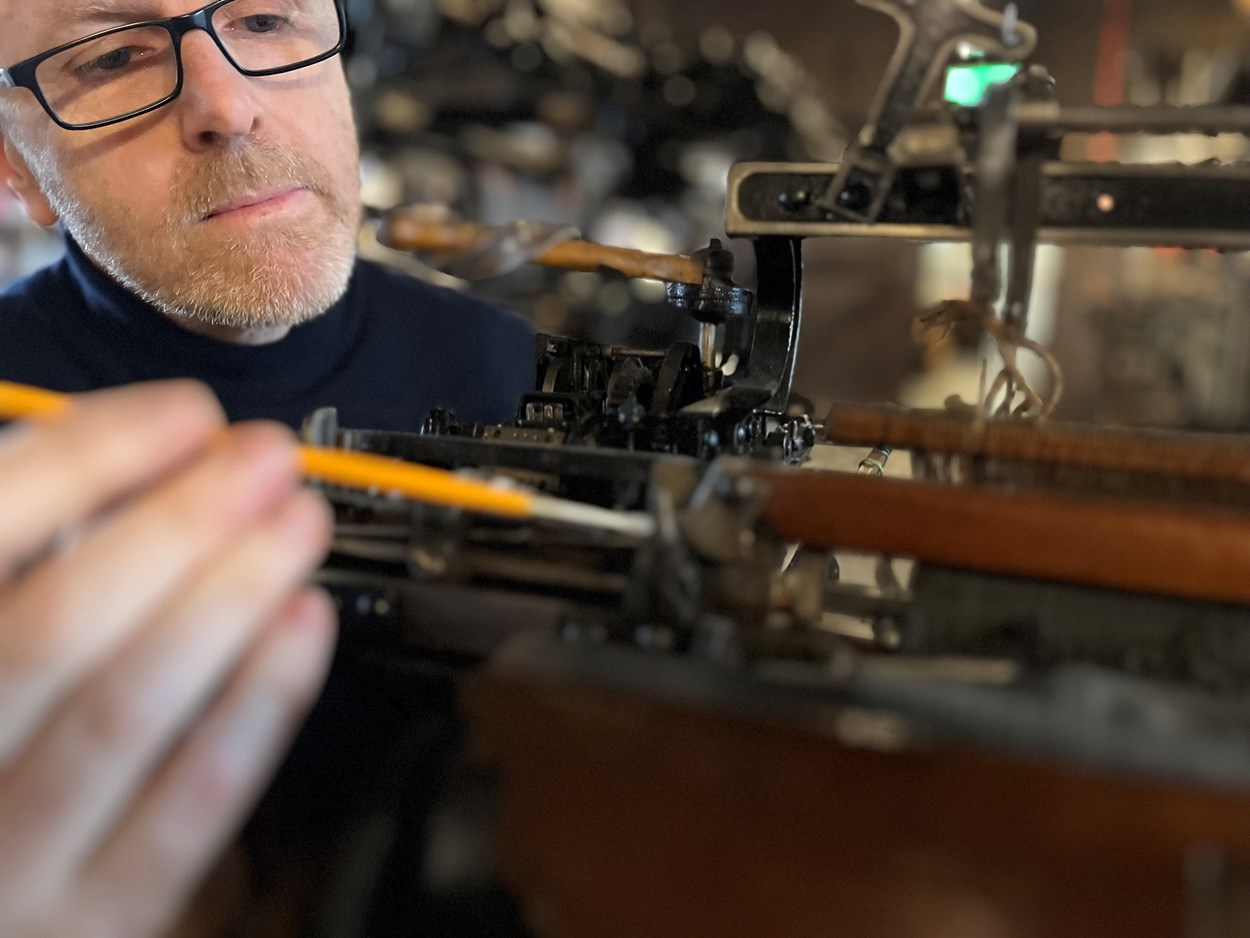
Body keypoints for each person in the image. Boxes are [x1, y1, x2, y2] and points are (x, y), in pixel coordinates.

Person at [0, 0, 536, 932]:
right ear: (17, 172)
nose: (226, 102)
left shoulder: (502, 366)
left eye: (264, 19)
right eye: (112, 56)